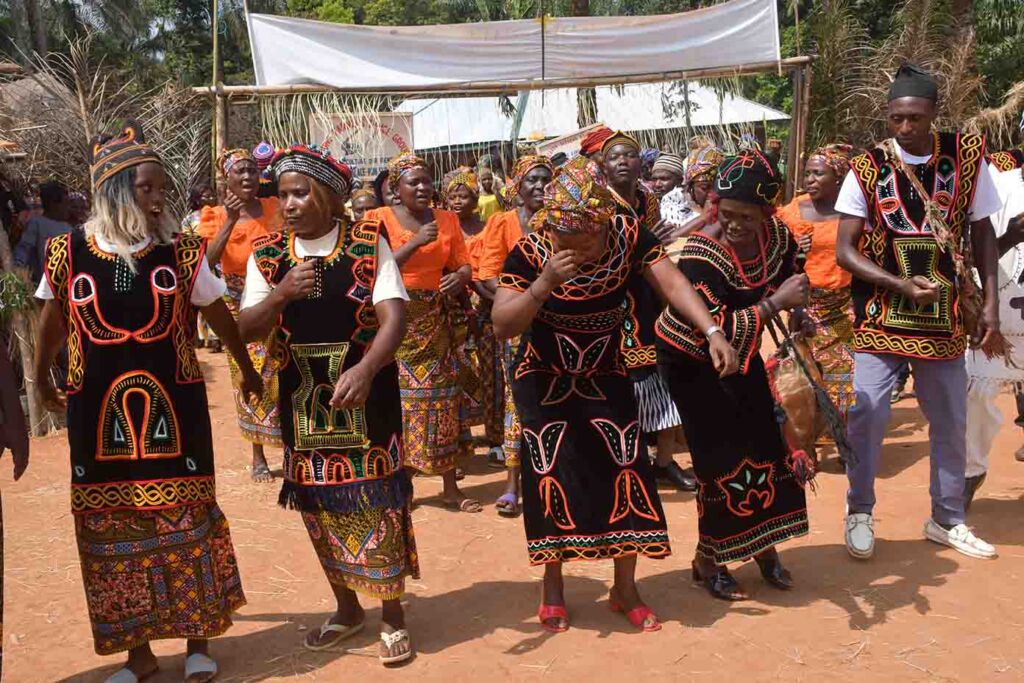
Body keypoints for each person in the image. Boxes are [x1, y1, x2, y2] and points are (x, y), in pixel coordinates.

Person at [33, 122, 261, 683]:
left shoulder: (182, 253)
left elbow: (217, 316)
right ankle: (137, 655)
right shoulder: (66, 252)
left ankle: (197, 642)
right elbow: (52, 323)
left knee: (187, 521)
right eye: (147, 188)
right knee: (112, 532)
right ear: (114, 192)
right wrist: (40, 381)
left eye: (162, 189)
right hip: (97, 424)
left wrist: (249, 370)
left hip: (176, 419)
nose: (160, 199)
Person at [493, 157, 737, 633]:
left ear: (603, 224)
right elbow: (504, 324)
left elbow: (670, 281)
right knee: (551, 474)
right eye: (564, 240)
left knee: (628, 469)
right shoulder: (531, 251)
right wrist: (544, 283)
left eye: (582, 240)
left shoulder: (627, 233)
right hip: (544, 378)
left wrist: (711, 330)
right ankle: (554, 587)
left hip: (606, 370)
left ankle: (625, 588)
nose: (573, 249)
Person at [237, 144, 418, 665]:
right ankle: (345, 608)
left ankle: (392, 615)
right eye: (283, 195)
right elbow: (245, 329)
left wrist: (365, 369)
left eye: (299, 193)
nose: (288, 204)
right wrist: (279, 296)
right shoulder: (269, 256)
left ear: (328, 196)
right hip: (304, 406)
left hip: (369, 401)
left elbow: (394, 319)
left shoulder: (366, 243)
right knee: (318, 506)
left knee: (377, 502)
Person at [836, 64, 1001, 560]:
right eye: (896, 119)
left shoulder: (967, 158)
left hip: (944, 317)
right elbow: (846, 250)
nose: (905, 128)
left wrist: (989, 303)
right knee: (866, 415)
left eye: (914, 118)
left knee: (950, 420)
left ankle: (947, 518)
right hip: (878, 315)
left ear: (933, 114)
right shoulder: (866, 167)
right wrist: (898, 283)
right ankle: (860, 512)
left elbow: (983, 233)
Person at [656, 150, 812, 600]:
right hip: (693, 360)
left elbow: (790, 280)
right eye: (726, 213)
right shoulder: (702, 251)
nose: (735, 224)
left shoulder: (777, 237)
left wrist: (798, 310)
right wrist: (774, 305)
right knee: (719, 461)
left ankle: (763, 546)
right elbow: (715, 323)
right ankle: (710, 560)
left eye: (747, 216)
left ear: (766, 213)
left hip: (740, 358)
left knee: (764, 447)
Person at [371, 153, 478, 511]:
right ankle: (402, 485)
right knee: (398, 401)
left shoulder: (447, 219)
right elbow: (373, 267)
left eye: (426, 180)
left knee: (444, 399)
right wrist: (416, 241)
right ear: (396, 190)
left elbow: (464, 265)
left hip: (436, 319)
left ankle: (450, 487)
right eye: (413, 182)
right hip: (394, 318)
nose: (422, 186)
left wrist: (459, 276)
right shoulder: (378, 219)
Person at [602, 131, 695, 492]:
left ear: (643, 163)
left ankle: (665, 462)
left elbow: (656, 248)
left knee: (664, 375)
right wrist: (643, 241)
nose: (623, 161)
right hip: (614, 301)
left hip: (650, 298)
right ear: (604, 168)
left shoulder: (647, 198)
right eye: (615, 157)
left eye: (630, 155)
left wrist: (649, 244)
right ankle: (633, 464)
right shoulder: (600, 205)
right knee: (628, 386)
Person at [198, 148, 284, 483]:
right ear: (227, 179)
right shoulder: (215, 215)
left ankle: (291, 444)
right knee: (247, 373)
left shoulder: (275, 206)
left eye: (251, 170)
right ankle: (258, 452)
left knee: (285, 369)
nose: (248, 177)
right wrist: (231, 221)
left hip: (278, 297)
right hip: (237, 302)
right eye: (240, 172)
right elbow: (206, 264)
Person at [478, 155, 554, 516]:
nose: (540, 187)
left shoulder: (562, 221)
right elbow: (488, 274)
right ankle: (512, 486)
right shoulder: (502, 223)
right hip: (518, 326)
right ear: (518, 187)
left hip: (560, 323)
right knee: (517, 400)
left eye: (546, 180)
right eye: (532, 181)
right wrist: (523, 303)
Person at [777, 144, 857, 425]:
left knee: (842, 369)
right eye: (807, 173)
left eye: (818, 173)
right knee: (809, 371)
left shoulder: (853, 211)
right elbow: (775, 253)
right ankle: (818, 430)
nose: (809, 179)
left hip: (844, 304)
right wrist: (796, 251)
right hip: (805, 304)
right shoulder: (791, 212)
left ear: (838, 178)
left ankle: (845, 435)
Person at [964, 154, 1024, 507]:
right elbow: (972, 255)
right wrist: (1011, 236)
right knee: (975, 397)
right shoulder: (997, 187)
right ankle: (971, 473)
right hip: (1000, 319)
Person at [445, 171, 505, 463]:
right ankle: (461, 435)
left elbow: (491, 268)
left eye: (464, 195)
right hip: (451, 310)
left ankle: (496, 437)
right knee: (458, 371)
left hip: (486, 306)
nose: (458, 201)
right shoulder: (441, 229)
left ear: (475, 198)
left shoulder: (488, 228)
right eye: (453, 196)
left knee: (492, 371)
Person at [13, 180, 72, 285]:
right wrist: (17, 268)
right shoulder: (37, 223)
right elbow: (24, 248)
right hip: (45, 286)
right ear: (53, 204)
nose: (68, 208)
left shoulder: (68, 228)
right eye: (65, 204)